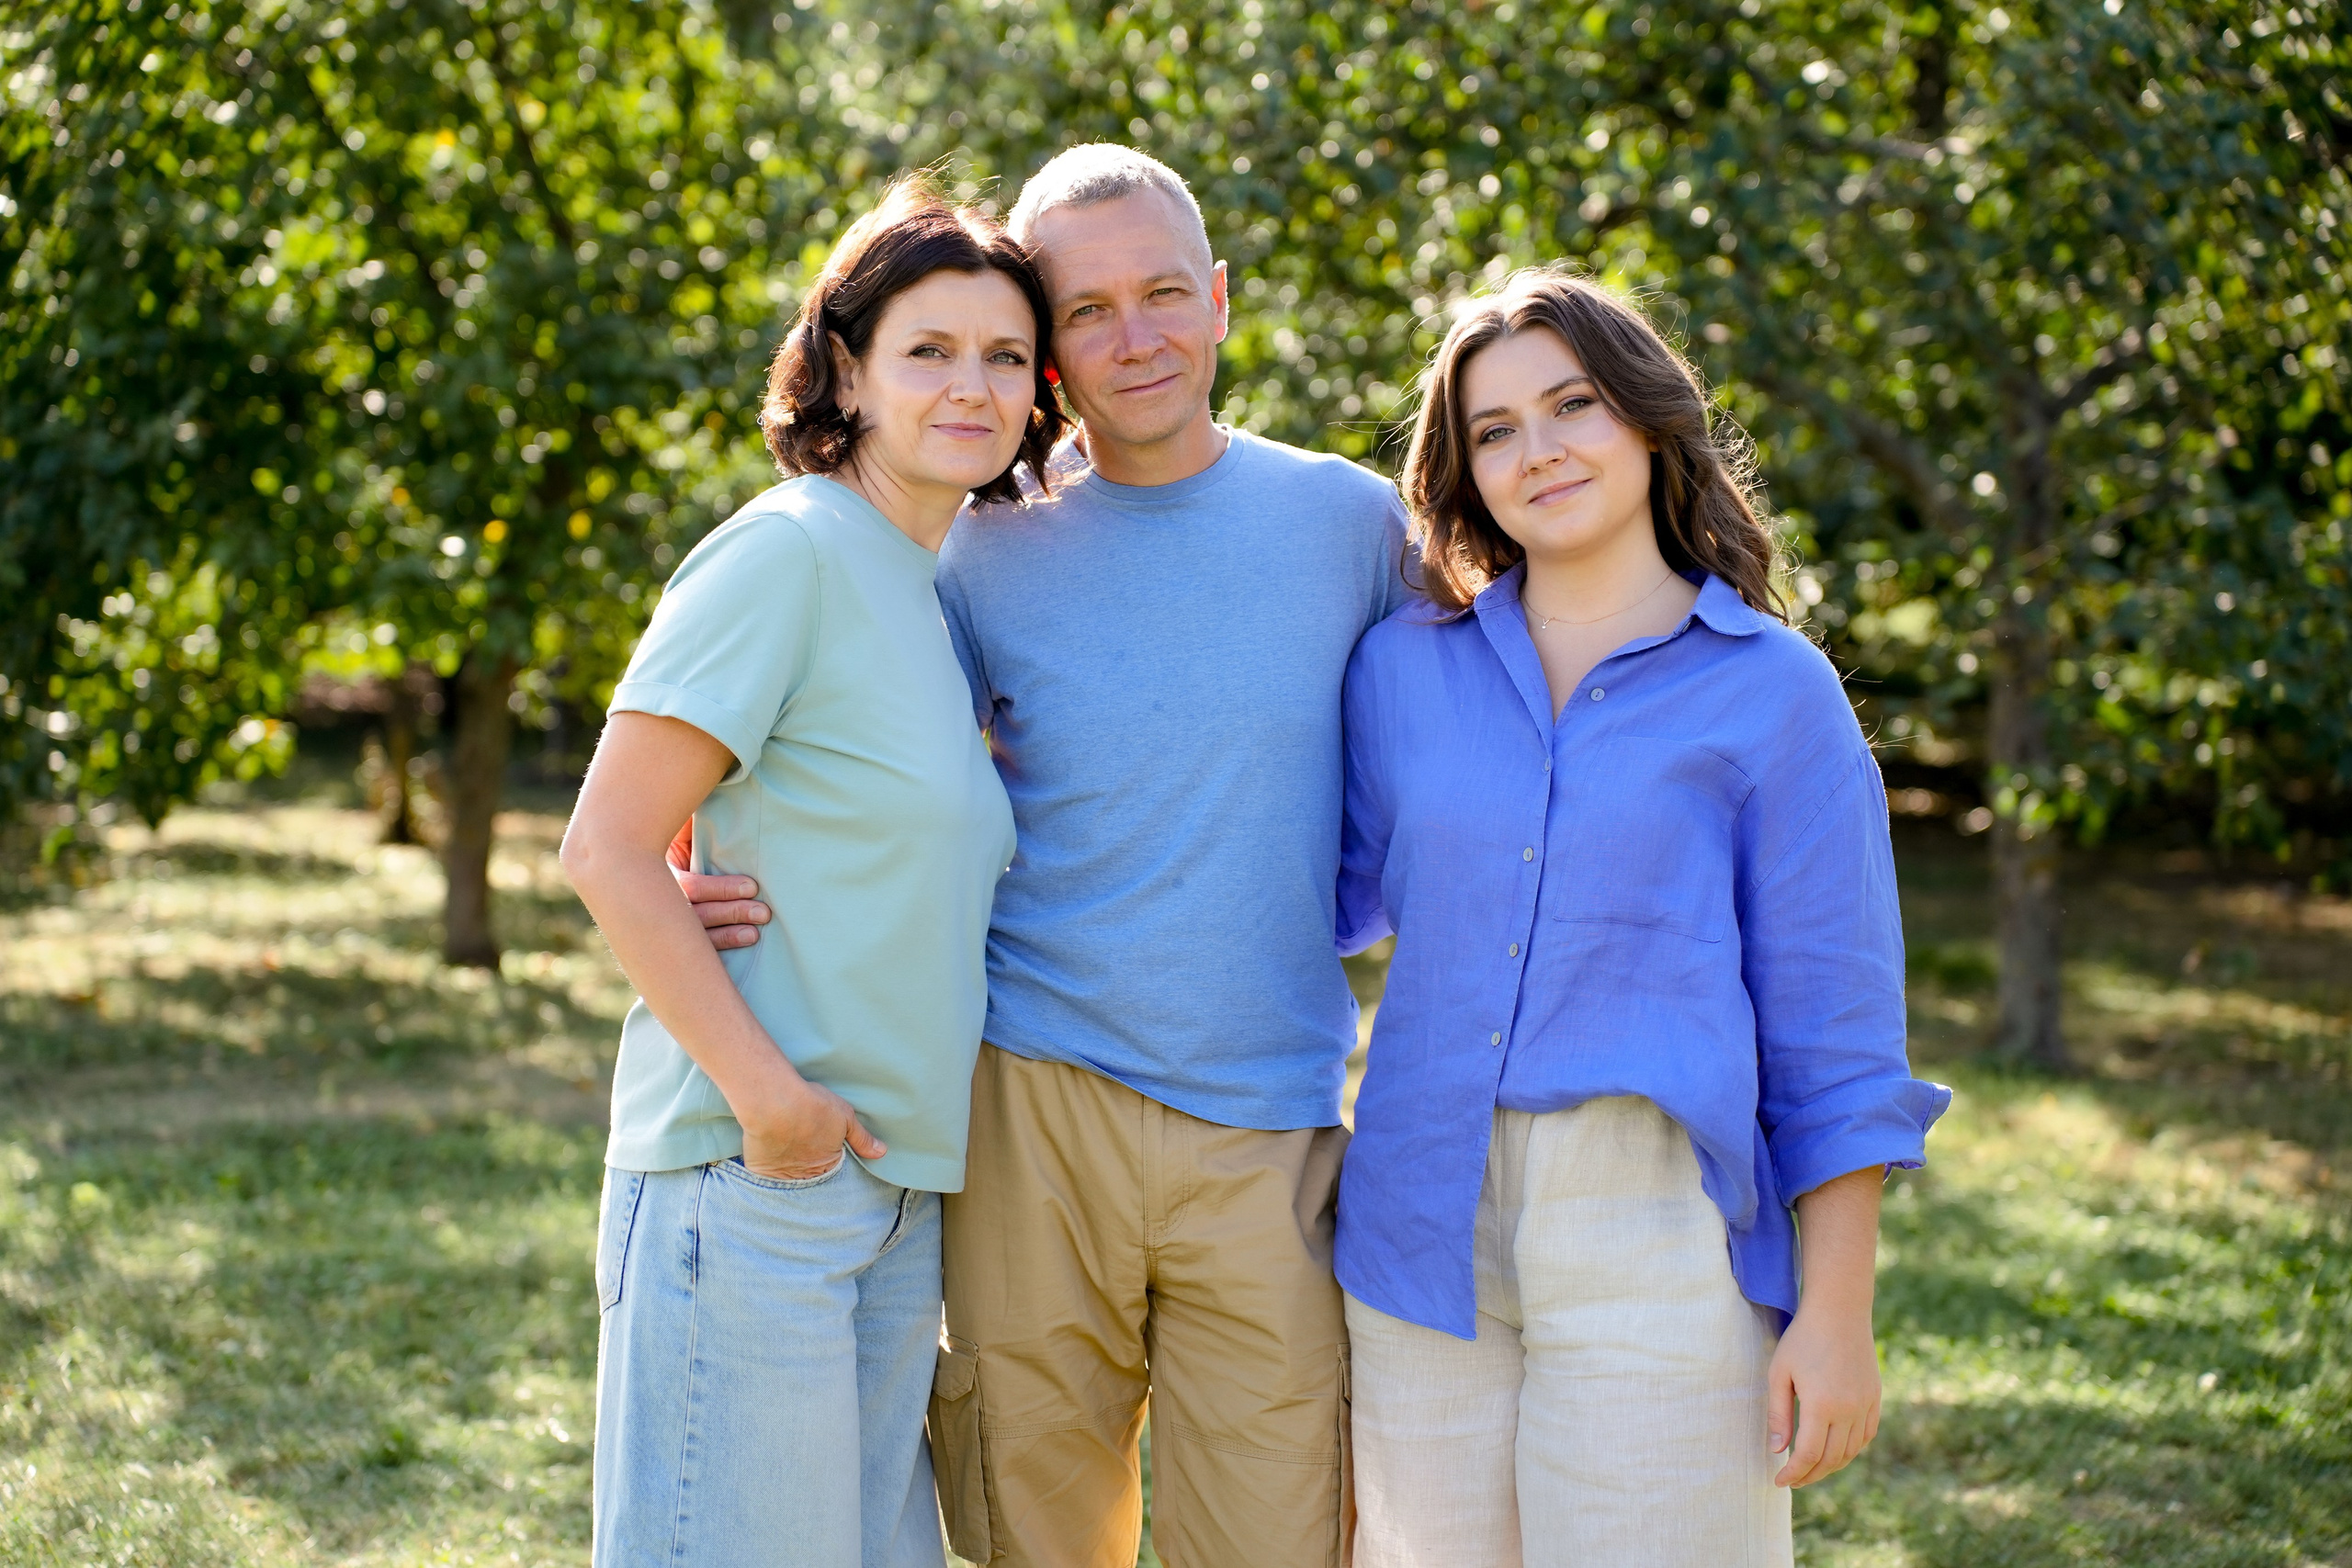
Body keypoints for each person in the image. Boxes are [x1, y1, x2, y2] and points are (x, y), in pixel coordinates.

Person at [684, 143, 1410, 1568]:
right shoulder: (971, 543)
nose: (1132, 337)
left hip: (1266, 1116)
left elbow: (1443, 760)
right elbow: (829, 741)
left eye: (1160, 295)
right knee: (1033, 1534)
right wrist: (677, 863)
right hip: (1027, 1101)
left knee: (1276, 1536)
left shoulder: (1350, 525)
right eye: (1085, 311)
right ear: (1048, 353)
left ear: (1219, 302)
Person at [1333, 268, 1951, 1567]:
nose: (1538, 449)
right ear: (1462, 470)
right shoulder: (1401, 671)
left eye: (1573, 406)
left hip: (1655, 1227)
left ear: (1649, 420)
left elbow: (1837, 1044)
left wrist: (1835, 1316)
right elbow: (1304, 895)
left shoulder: (1775, 696)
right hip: (1413, 1216)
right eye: (1494, 430)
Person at [559, 176, 1065, 1568]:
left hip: (892, 1190)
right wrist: (771, 1105)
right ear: (847, 366)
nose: (974, 385)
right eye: (930, 350)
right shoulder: (787, 552)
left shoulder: (932, 583)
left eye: (1007, 357)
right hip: (757, 1173)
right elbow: (606, 843)